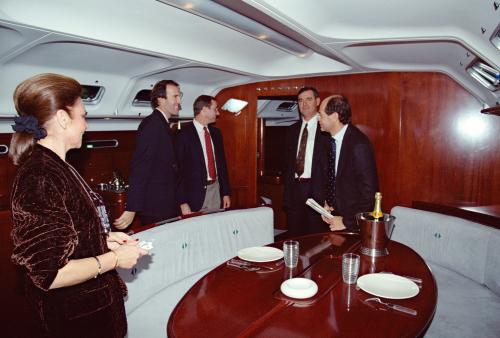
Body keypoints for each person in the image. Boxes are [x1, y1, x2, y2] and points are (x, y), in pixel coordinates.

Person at [9, 73, 148, 338]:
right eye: (83, 116)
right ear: (63, 118)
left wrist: (103, 239)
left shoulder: (58, 166)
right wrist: (116, 258)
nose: (85, 125)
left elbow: (67, 235)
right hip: (76, 323)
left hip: (94, 314)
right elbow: (50, 274)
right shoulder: (39, 176)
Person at [114, 80, 182, 228]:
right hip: (156, 206)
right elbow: (140, 168)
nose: (179, 101)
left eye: (180, 96)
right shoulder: (152, 125)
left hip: (167, 203)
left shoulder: (163, 125)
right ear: (160, 99)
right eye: (175, 96)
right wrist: (132, 208)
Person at [318, 94, 379, 232]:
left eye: (321, 115)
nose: (318, 119)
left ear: (334, 116)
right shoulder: (329, 141)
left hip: (353, 226)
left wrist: (347, 222)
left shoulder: (359, 145)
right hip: (335, 219)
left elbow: (370, 195)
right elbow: (333, 179)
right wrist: (328, 204)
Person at [282, 87, 329, 236]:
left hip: (318, 192)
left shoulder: (326, 130)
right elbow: (287, 164)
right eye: (300, 100)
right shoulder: (291, 130)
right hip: (294, 191)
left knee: (316, 239)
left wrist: (329, 197)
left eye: (308, 99)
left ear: (317, 101)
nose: (304, 104)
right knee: (295, 237)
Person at [175, 95, 230, 214]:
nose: (218, 112)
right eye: (215, 109)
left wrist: (225, 193)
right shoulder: (183, 135)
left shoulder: (216, 134)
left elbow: (222, 165)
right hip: (194, 196)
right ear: (204, 110)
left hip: (216, 190)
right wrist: (182, 202)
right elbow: (177, 172)